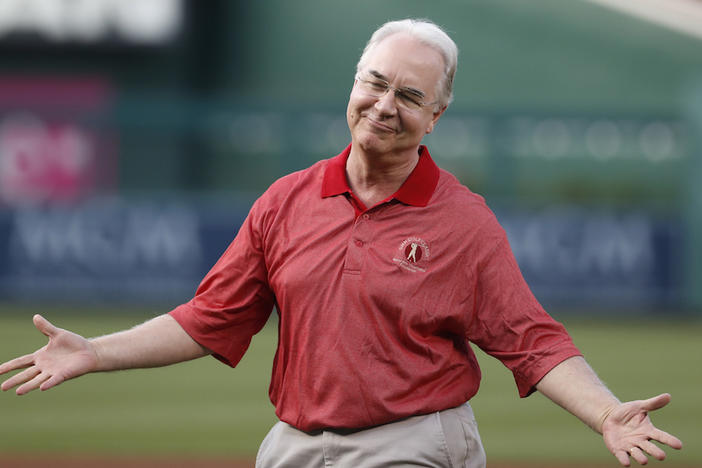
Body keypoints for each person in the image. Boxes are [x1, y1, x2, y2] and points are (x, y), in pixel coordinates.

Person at [0, 18, 683, 468]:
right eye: (376, 84)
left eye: (410, 96)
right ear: (353, 85)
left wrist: (605, 415)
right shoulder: (286, 200)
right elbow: (210, 318)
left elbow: (531, 340)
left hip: (412, 442)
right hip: (294, 445)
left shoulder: (463, 222)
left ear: (436, 117)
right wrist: (95, 352)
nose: (386, 105)